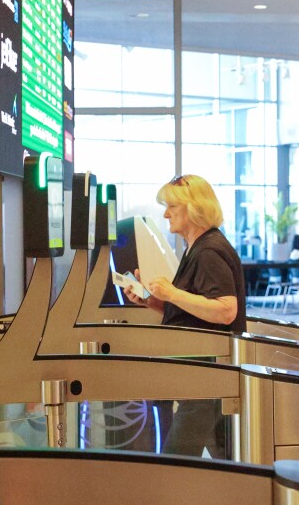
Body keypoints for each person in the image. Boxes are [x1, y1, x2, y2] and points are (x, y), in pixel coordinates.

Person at [124, 173, 246, 458]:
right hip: (206, 377)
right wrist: (153, 301)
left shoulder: (209, 251)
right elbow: (197, 311)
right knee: (225, 459)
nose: (166, 214)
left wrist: (171, 293)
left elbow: (226, 310)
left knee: (176, 460)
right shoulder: (198, 248)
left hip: (206, 378)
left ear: (193, 208)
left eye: (172, 207)